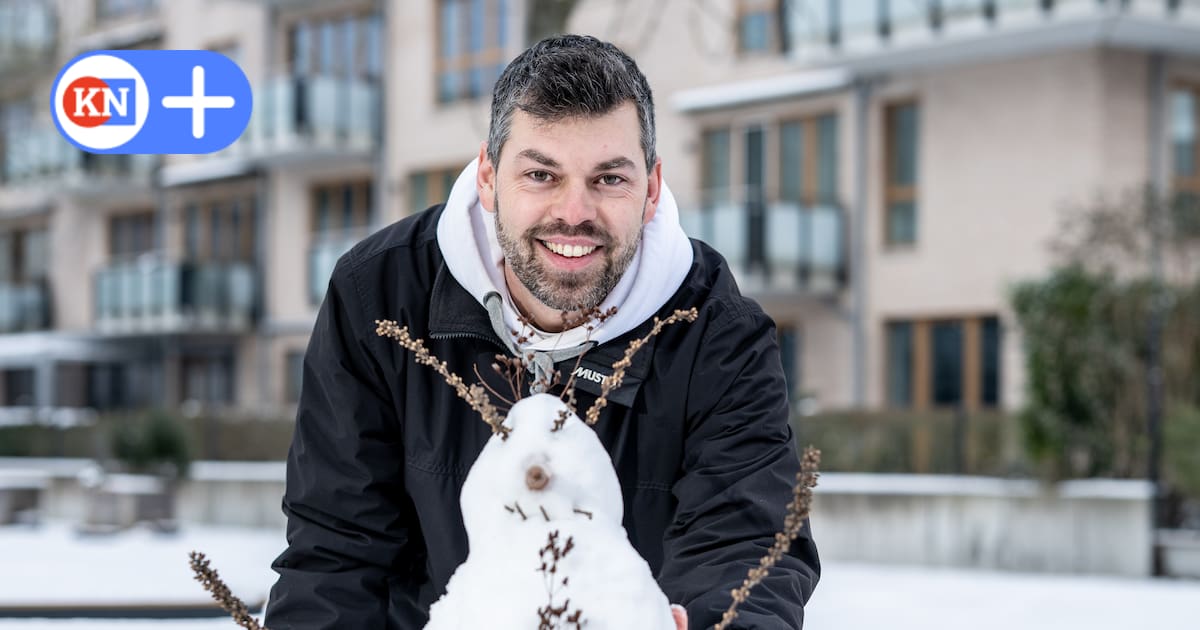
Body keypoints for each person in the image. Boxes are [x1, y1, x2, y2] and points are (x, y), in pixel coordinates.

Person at [265, 34, 820, 629]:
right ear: (488, 176)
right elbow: (338, 556)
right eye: (540, 174)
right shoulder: (380, 297)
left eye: (609, 179)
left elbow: (745, 548)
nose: (574, 213)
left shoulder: (717, 333)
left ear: (652, 189)